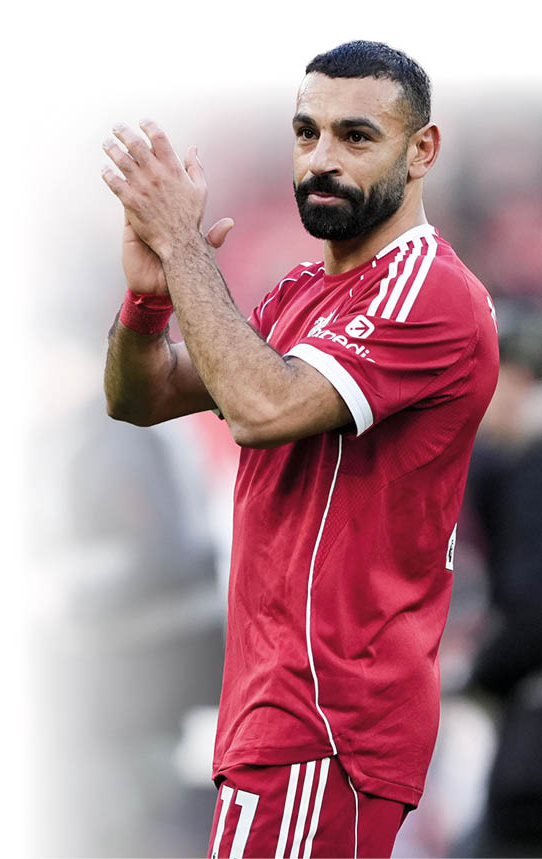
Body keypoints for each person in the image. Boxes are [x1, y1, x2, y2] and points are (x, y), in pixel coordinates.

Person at [101, 40, 499, 859]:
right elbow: (137, 398)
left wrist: (184, 251)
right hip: (281, 718)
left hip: (328, 719)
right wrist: (148, 302)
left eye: (356, 137)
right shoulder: (301, 292)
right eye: (306, 132)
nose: (322, 159)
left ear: (422, 150)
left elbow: (260, 404)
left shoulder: (430, 290)